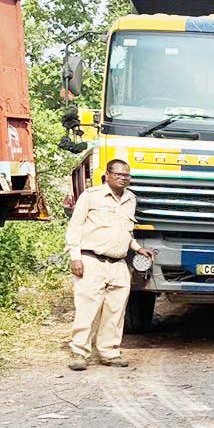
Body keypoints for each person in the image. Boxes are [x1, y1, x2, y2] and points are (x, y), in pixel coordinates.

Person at [64, 159, 155, 371]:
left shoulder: (130, 199)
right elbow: (75, 227)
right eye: (119, 174)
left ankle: (110, 352)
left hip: (119, 264)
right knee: (88, 310)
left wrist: (137, 247)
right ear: (107, 175)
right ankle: (79, 353)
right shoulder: (91, 196)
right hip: (91, 261)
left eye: (127, 175)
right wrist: (75, 257)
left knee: (115, 311)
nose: (123, 178)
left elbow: (125, 231)